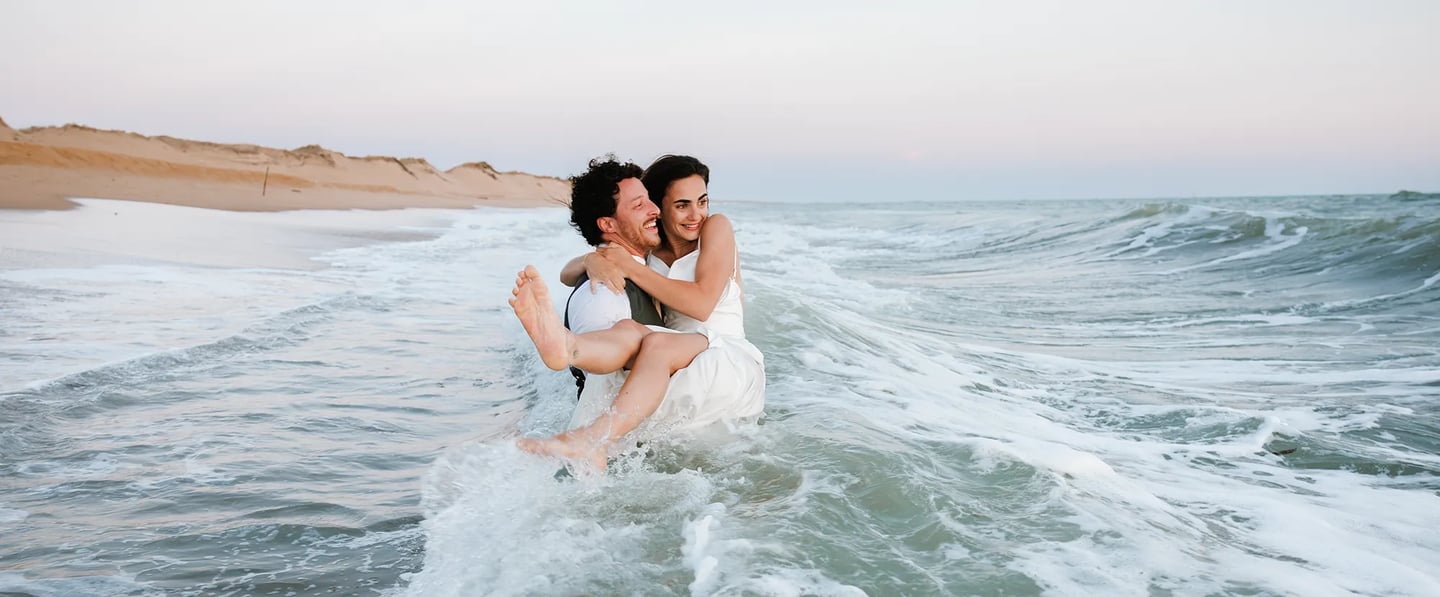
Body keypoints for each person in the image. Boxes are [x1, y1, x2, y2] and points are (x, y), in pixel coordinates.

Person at [510, 155, 764, 470]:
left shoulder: (716, 228)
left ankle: (593, 439)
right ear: (661, 207)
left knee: (655, 344)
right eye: (682, 205)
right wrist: (590, 260)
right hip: (676, 360)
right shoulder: (651, 246)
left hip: (726, 356)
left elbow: (701, 304)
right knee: (631, 331)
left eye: (702, 201)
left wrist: (627, 266)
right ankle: (568, 347)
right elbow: (568, 273)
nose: (696, 214)